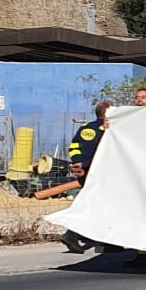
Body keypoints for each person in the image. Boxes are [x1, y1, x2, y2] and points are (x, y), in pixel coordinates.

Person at [61, 99, 113, 253]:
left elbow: (74, 147)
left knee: (94, 203)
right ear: (107, 114)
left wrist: (78, 163)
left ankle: (103, 241)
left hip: (85, 172)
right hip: (102, 173)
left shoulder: (85, 128)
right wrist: (85, 165)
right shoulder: (109, 130)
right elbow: (102, 153)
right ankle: (75, 235)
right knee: (102, 205)